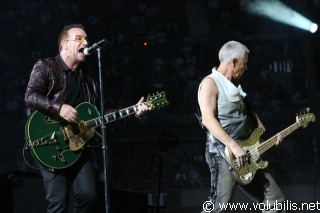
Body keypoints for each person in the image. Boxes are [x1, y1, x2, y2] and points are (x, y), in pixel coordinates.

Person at [24, 23, 150, 213]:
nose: (86, 42)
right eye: (80, 38)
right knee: (58, 203)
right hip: (50, 143)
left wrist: (132, 112)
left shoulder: (89, 82)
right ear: (64, 44)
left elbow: (99, 114)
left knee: (89, 195)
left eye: (86, 39)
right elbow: (30, 96)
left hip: (79, 144)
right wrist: (59, 108)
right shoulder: (46, 66)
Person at [197, 41, 285, 212]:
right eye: (245, 64)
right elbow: (207, 119)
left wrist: (264, 142)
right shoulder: (210, 83)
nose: (246, 68)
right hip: (222, 155)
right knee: (218, 209)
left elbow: (249, 125)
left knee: (276, 200)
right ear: (234, 61)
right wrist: (234, 146)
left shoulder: (235, 87)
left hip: (245, 154)